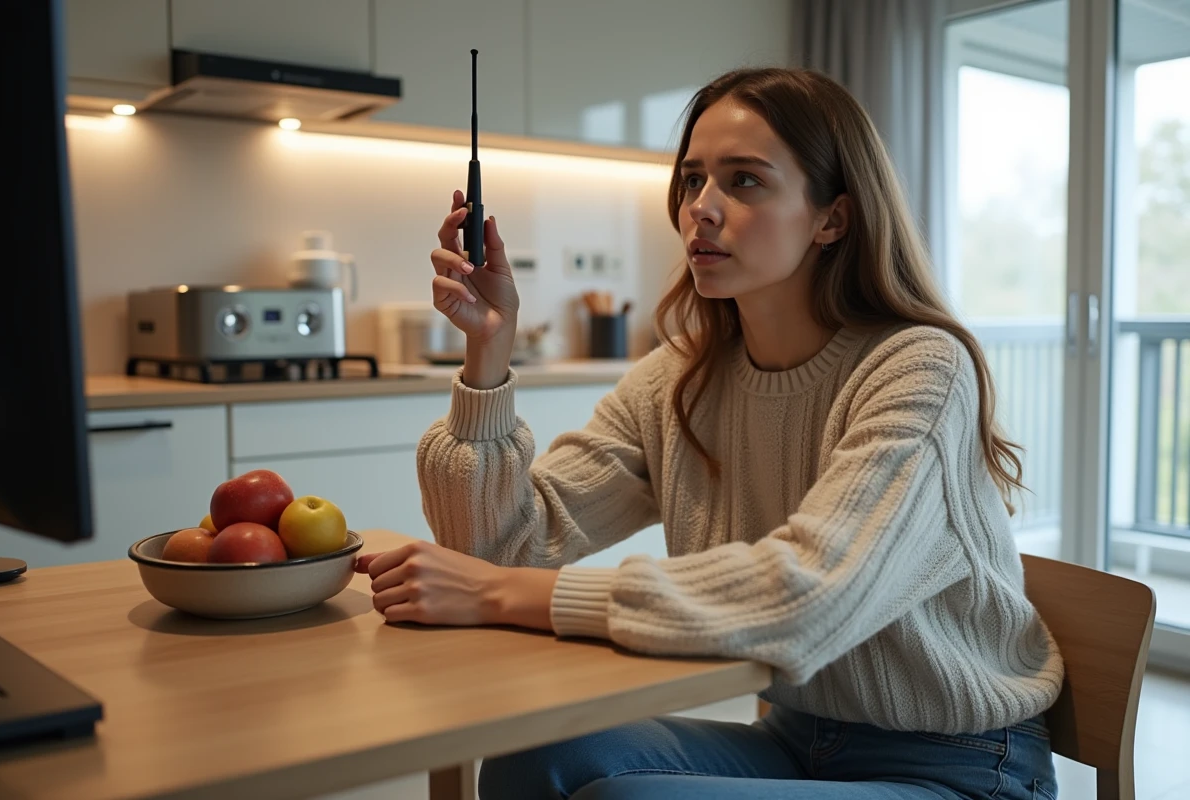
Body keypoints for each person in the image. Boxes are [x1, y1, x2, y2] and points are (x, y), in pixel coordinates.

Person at [354, 67, 1065, 800]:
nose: (701, 208)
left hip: (963, 768)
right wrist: (487, 354)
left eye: (744, 181)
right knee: (530, 757)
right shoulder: (681, 378)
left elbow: (807, 595)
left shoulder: (918, 367)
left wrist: (504, 594)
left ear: (832, 219)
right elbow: (498, 550)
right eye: (693, 180)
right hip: (795, 739)